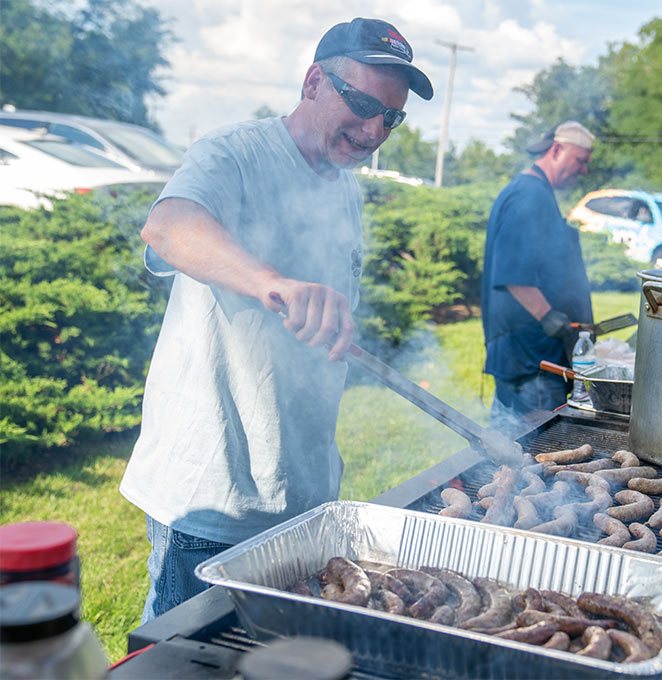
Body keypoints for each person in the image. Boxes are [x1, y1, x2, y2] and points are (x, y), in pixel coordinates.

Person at [118, 17, 433, 624]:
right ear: (313, 82)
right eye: (363, 104)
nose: (375, 131)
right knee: (185, 658)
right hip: (215, 494)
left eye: (391, 118)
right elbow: (168, 226)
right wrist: (275, 283)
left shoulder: (346, 188)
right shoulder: (234, 152)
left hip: (304, 495)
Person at [481, 121, 596, 430]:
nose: (584, 170)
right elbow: (514, 273)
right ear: (557, 150)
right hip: (532, 361)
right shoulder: (529, 196)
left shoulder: (534, 192)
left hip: (527, 358)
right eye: (580, 160)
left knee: (508, 445)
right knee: (536, 447)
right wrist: (549, 317)